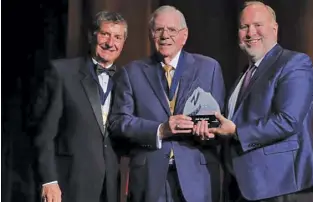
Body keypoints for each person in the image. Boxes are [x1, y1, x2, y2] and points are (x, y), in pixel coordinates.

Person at [194, 1, 313, 202]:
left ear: (274, 29)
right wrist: (208, 129)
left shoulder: (295, 63)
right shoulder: (244, 75)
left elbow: (288, 120)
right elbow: (234, 124)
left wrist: (236, 132)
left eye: (257, 25)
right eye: (244, 27)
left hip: (282, 187)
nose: (250, 32)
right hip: (244, 187)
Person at [109, 5, 225, 202]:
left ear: (184, 35)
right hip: (150, 179)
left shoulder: (209, 68)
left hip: (197, 177)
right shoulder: (132, 72)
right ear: (150, 34)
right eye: (158, 30)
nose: (165, 36)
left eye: (171, 30)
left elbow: (219, 123)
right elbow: (118, 123)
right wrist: (161, 130)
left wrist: (208, 132)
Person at [29, 11, 128, 202]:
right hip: (68, 186)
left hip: (109, 189)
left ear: (123, 43)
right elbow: (43, 133)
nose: (110, 42)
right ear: (92, 35)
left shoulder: (125, 81)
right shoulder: (62, 73)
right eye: (105, 34)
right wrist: (48, 181)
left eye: (117, 37)